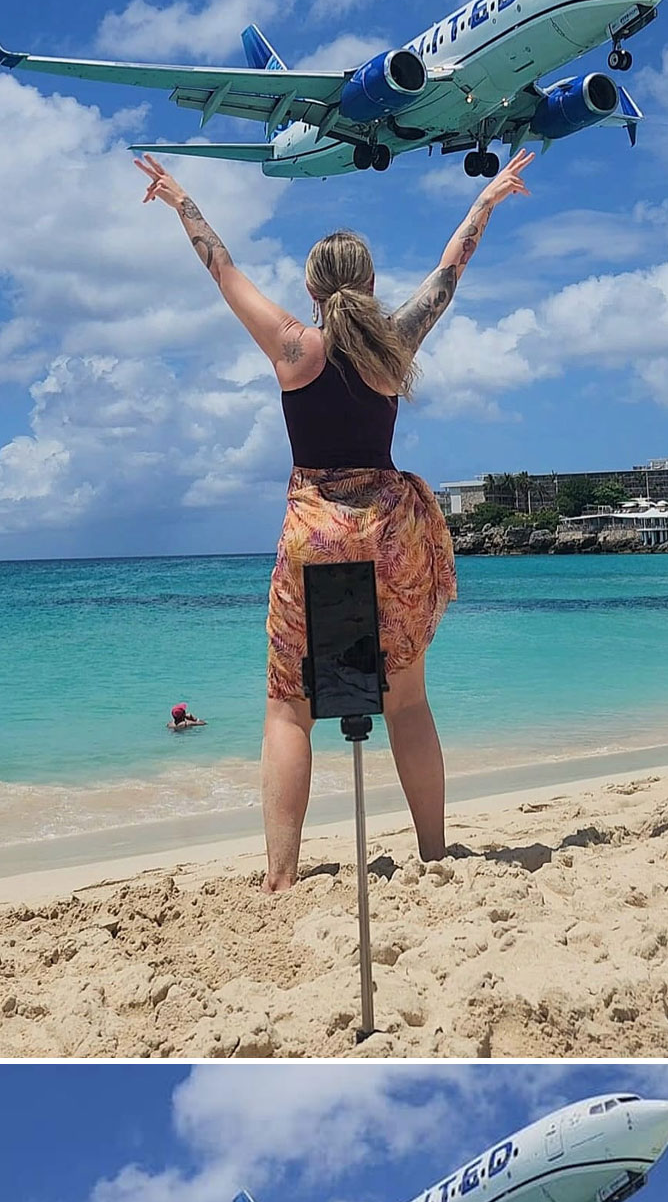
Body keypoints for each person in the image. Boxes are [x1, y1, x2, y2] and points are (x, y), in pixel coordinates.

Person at [135, 149, 534, 891]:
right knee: (406, 702)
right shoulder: (395, 345)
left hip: (314, 533)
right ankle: (435, 855)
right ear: (373, 284)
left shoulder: (294, 346)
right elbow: (453, 268)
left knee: (288, 710)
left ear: (313, 291)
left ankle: (281, 879)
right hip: (390, 534)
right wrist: (488, 200)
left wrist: (182, 200)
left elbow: (221, 270)